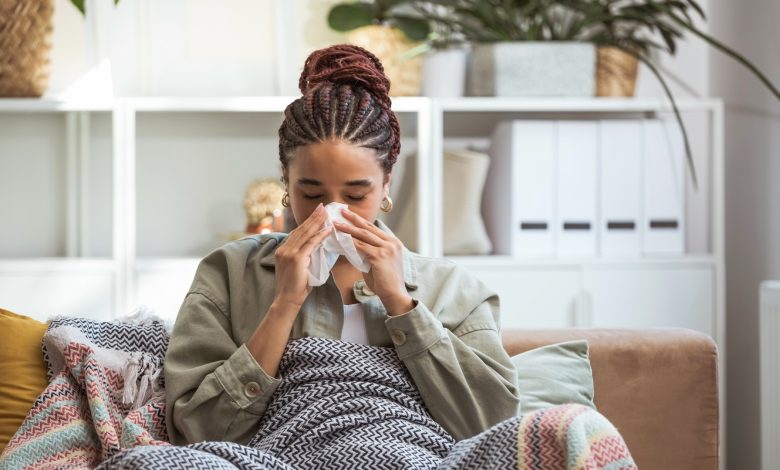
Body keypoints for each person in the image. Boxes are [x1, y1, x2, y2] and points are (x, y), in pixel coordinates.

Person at [164, 44, 520, 446]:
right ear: (286, 181)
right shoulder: (228, 274)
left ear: (387, 184)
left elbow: (494, 430)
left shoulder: (456, 290)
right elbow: (195, 430)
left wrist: (400, 304)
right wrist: (283, 305)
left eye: (355, 196)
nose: (331, 212)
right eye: (312, 194)